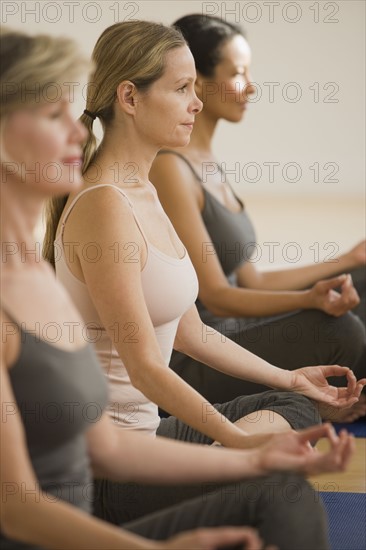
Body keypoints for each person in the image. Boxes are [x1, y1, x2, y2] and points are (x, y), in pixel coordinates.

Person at [2, 26, 358, 550]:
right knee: (278, 488)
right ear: (129, 97)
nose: (197, 103)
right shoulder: (102, 207)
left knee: (293, 413)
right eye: (183, 88)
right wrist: (237, 446)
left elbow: (190, 331)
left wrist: (286, 387)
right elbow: (145, 371)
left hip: (136, 445)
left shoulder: (138, 192)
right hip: (110, 486)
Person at [149, 14, 366, 413]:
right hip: (201, 347)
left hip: (233, 326)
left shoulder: (207, 162)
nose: (249, 87)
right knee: (339, 327)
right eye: (238, 74)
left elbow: (253, 279)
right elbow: (219, 297)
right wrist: (309, 300)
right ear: (197, 80)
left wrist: (348, 260)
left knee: (360, 281)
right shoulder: (170, 168)